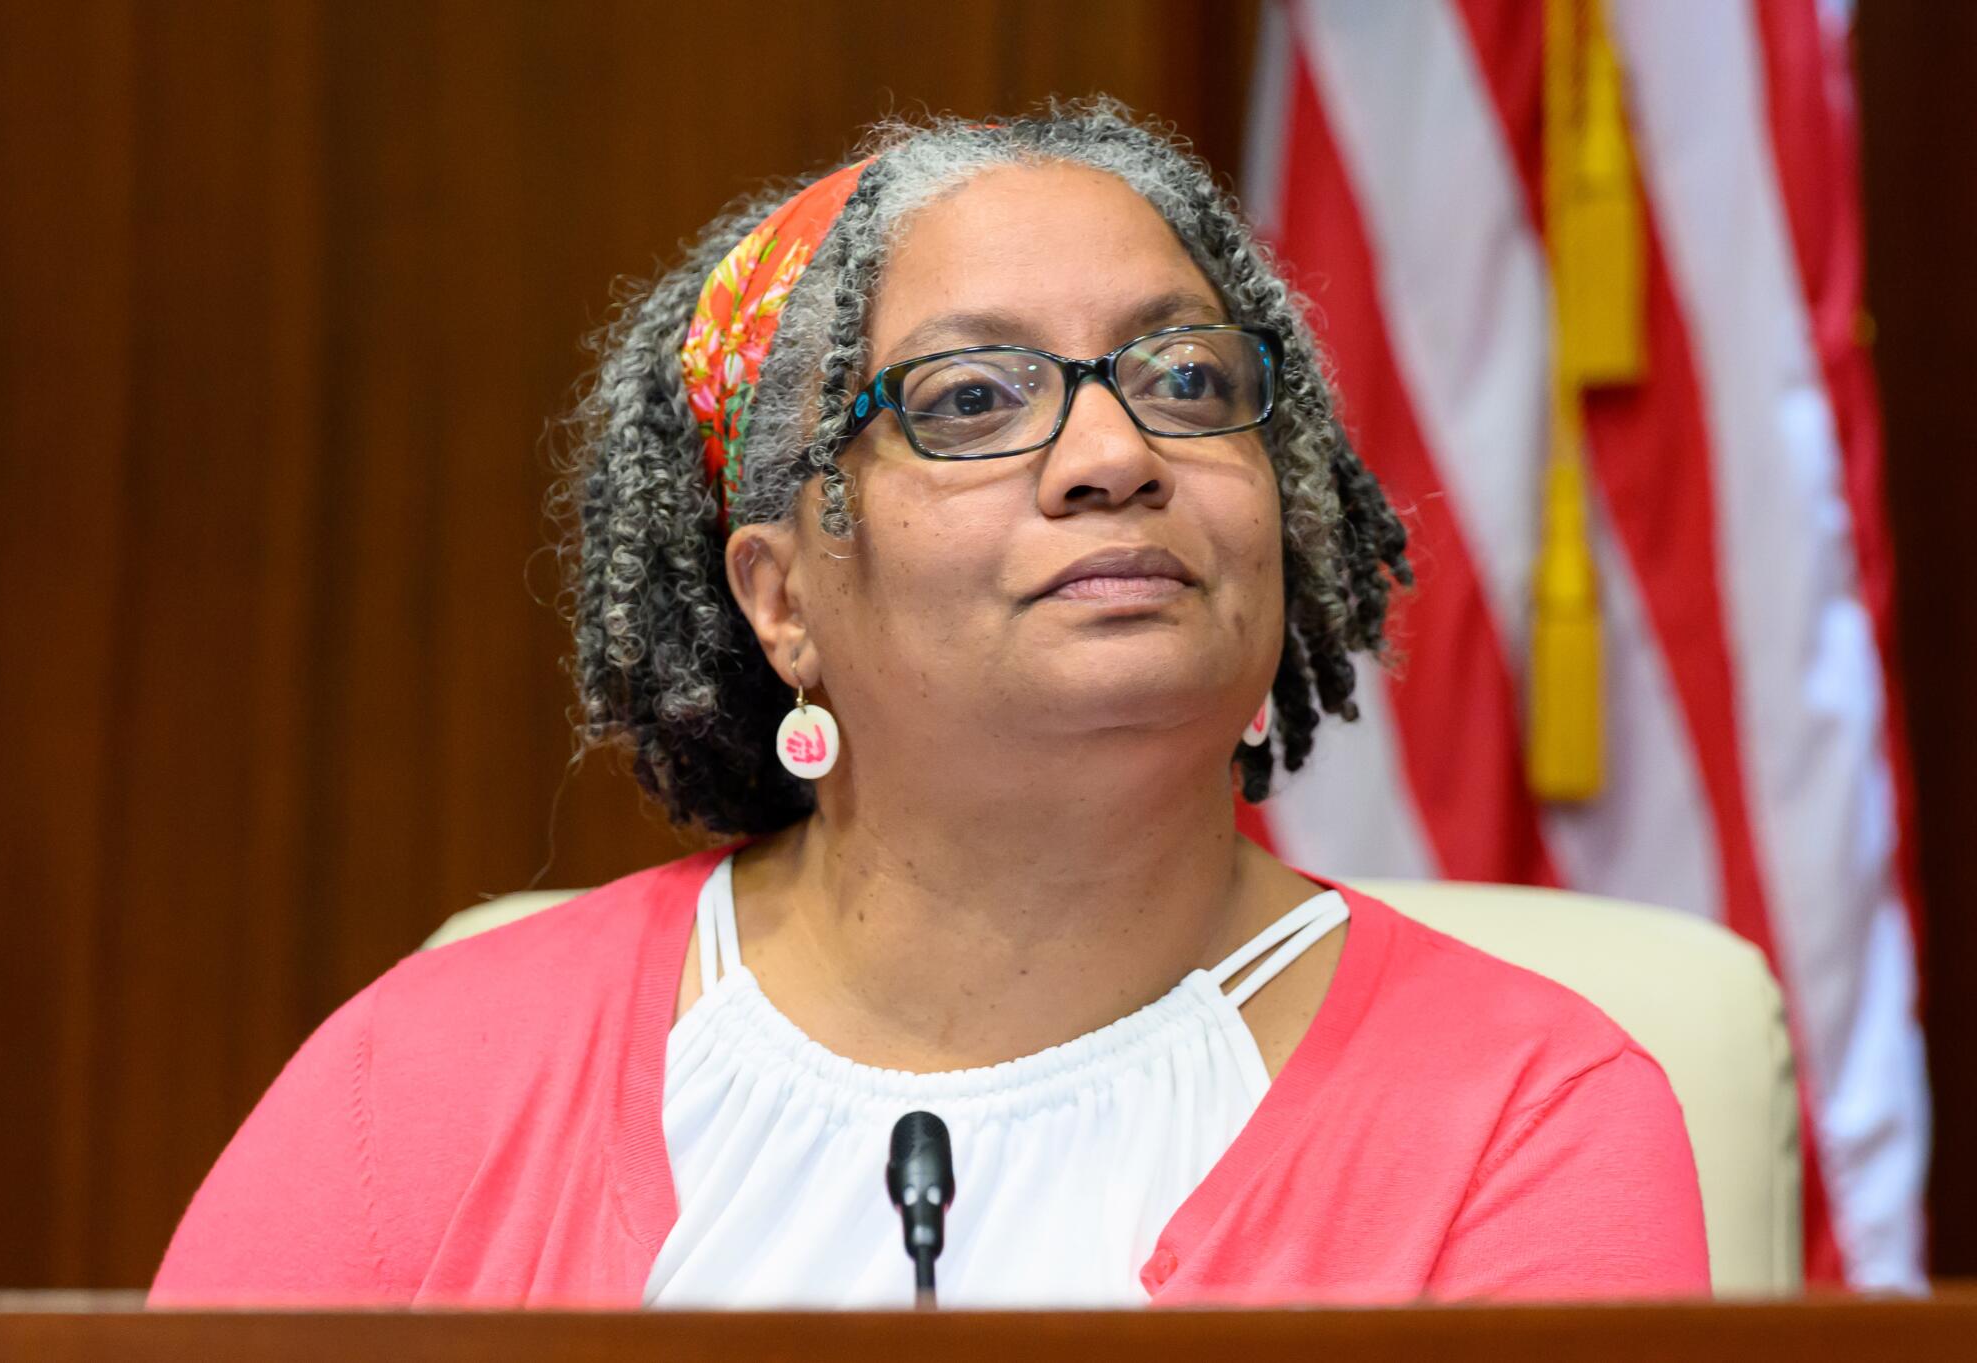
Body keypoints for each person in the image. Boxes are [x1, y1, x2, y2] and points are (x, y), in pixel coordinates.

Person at [151, 100, 1707, 1309]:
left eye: (1183, 380)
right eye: (971, 400)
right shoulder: (422, 1087)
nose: (1113, 454)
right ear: (781, 598)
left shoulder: (1528, 1114)